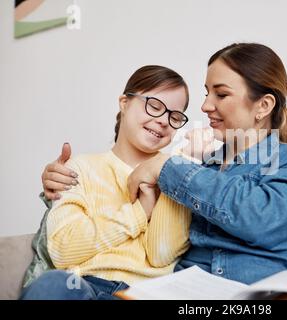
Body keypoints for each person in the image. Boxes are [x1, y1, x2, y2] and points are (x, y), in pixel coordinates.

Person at [40, 43, 287, 299]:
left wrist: (170, 166)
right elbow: (162, 248)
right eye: (206, 92)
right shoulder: (200, 166)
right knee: (54, 287)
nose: (205, 106)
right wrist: (55, 188)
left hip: (284, 293)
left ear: (263, 106)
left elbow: (260, 218)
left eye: (221, 94)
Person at [21, 65, 192, 300]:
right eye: (154, 106)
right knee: (51, 285)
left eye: (174, 116)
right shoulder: (79, 168)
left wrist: (172, 167)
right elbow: (63, 251)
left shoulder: (176, 175)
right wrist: (139, 212)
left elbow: (162, 255)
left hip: (145, 294)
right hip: (85, 287)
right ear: (124, 103)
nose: (163, 120)